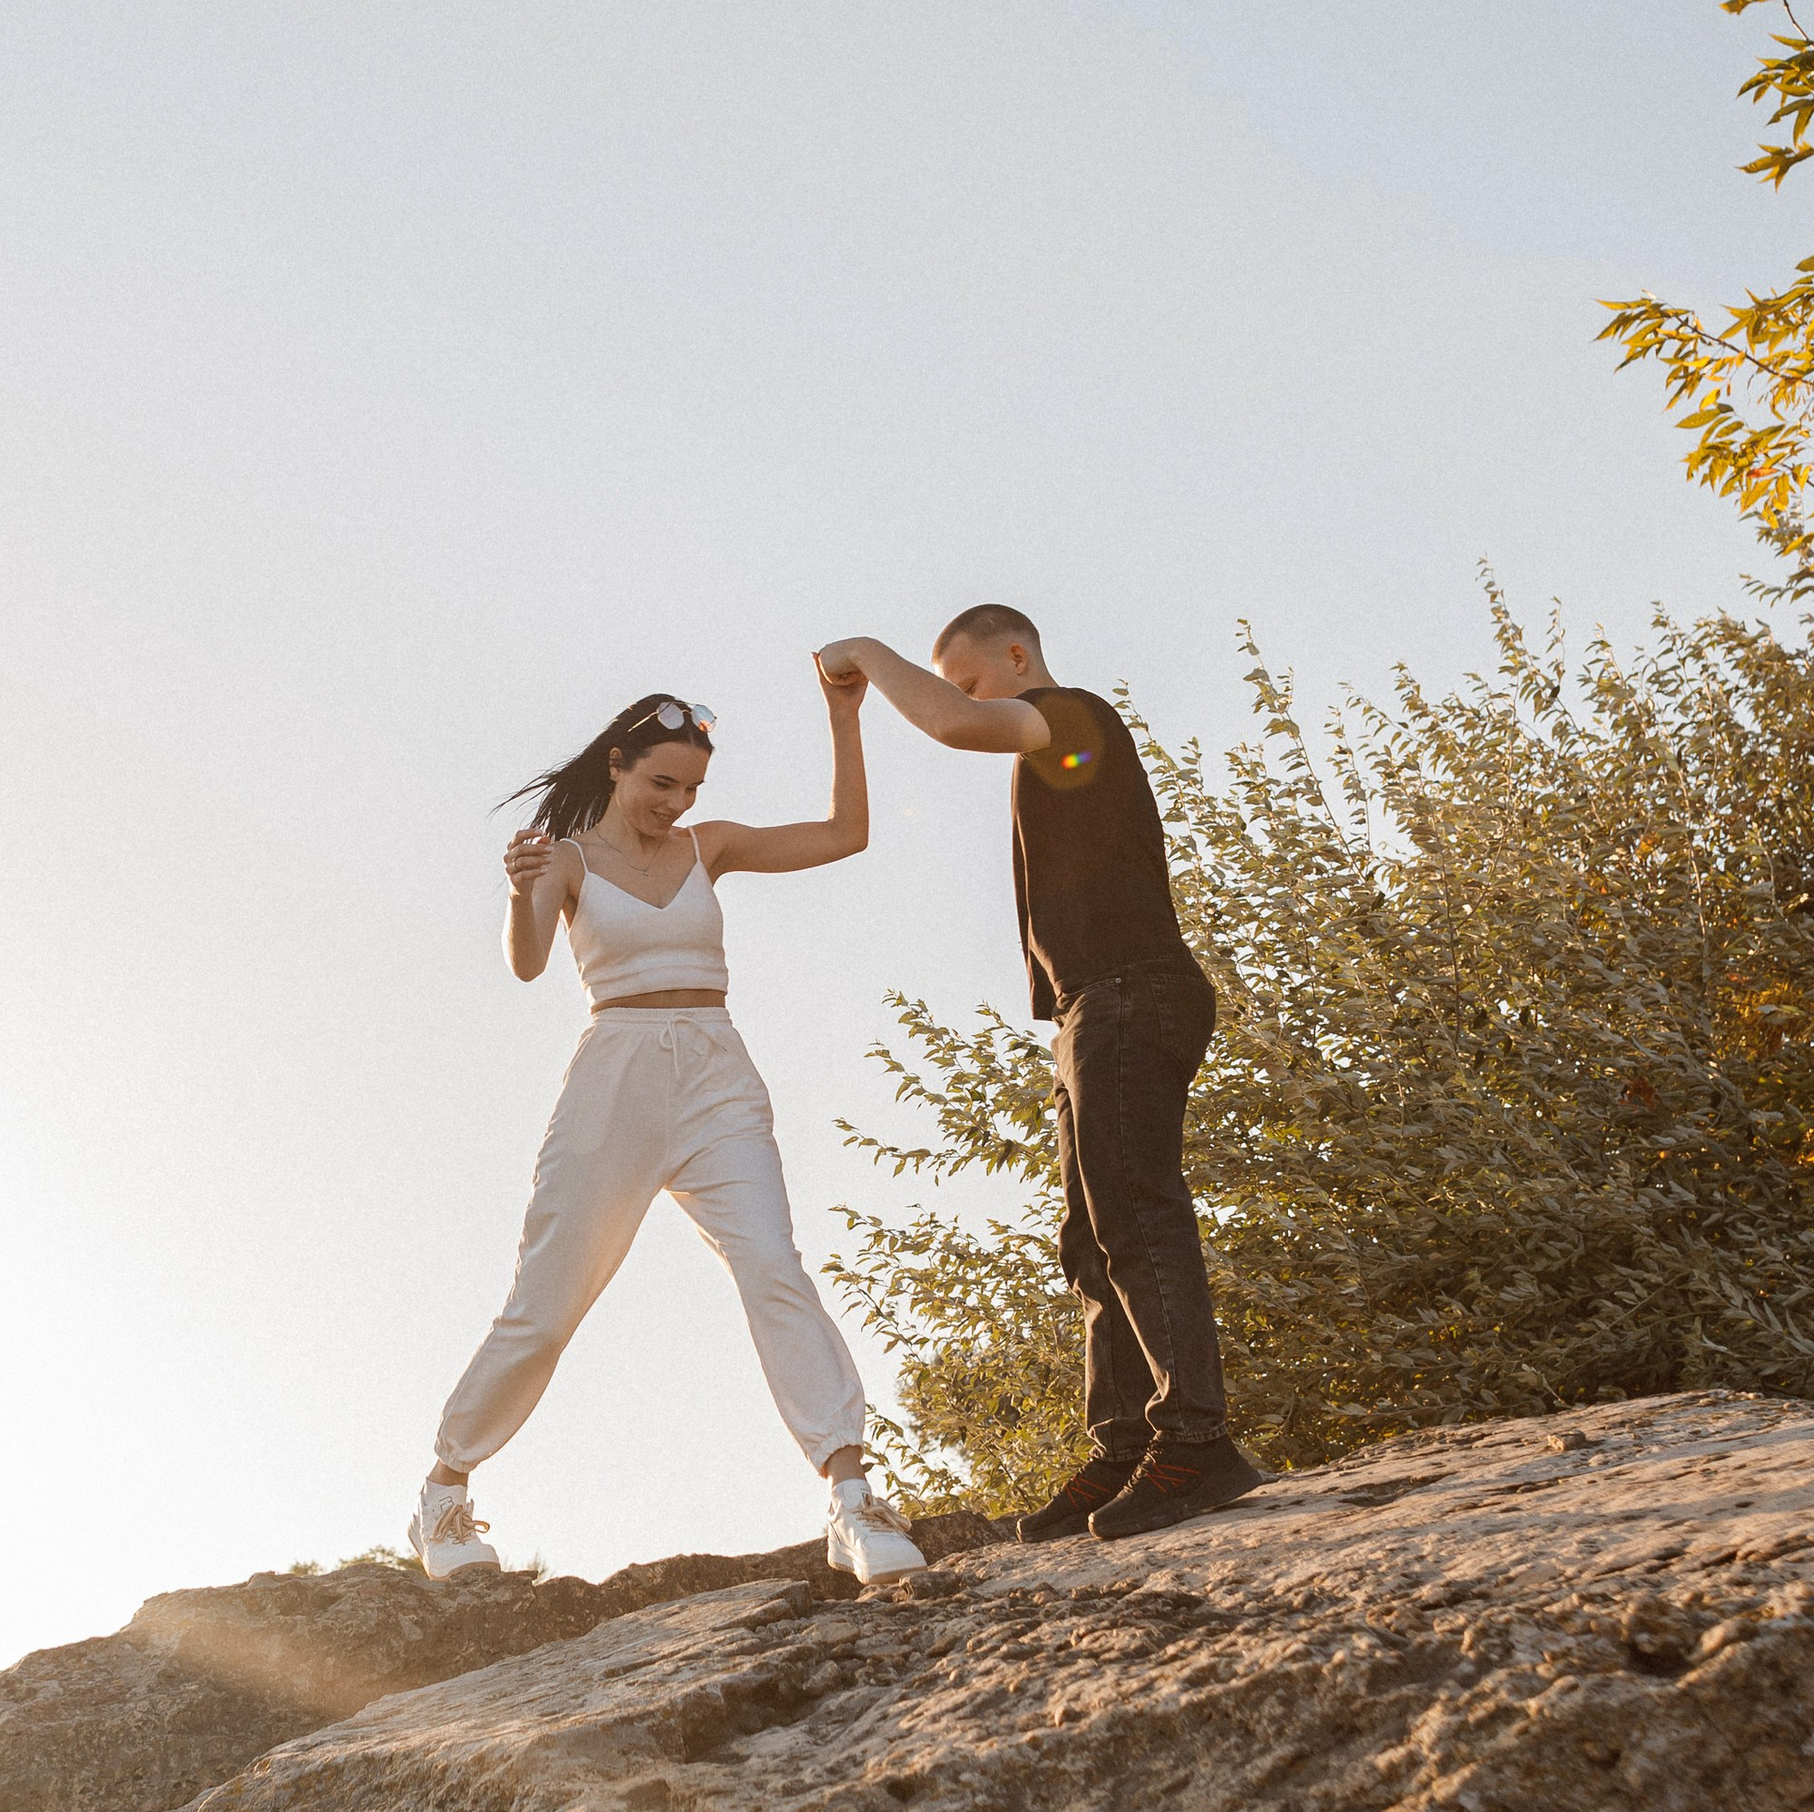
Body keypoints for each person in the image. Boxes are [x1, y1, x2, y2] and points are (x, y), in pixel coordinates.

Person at [408, 677, 924, 1588]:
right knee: (547, 1303)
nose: (677, 803)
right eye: (661, 783)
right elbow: (527, 963)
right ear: (617, 766)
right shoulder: (565, 859)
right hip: (616, 1080)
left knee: (773, 1265)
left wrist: (843, 717)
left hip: (718, 1075)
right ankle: (444, 1491)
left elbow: (846, 833)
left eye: (690, 788)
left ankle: (852, 1498)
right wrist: (521, 893)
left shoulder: (706, 847)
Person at [814, 607, 1260, 1541]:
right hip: (1089, 1008)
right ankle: (1127, 1447)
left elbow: (951, 723)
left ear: (1017, 655)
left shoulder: (1071, 716)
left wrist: (865, 654)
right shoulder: (1049, 751)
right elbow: (960, 716)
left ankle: (1197, 1442)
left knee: (1135, 1211)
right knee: (1090, 1239)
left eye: (973, 679)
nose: (966, 700)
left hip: (1132, 990)